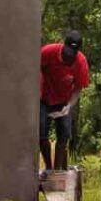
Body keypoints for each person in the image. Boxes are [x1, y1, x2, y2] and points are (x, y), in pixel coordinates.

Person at [39, 30, 89, 172]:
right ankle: (48, 167)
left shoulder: (81, 62)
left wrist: (68, 106)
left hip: (64, 101)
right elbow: (32, 69)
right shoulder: (48, 52)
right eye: (67, 52)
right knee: (41, 131)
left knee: (65, 134)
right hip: (44, 97)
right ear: (63, 45)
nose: (69, 56)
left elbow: (78, 88)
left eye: (73, 53)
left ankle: (57, 170)